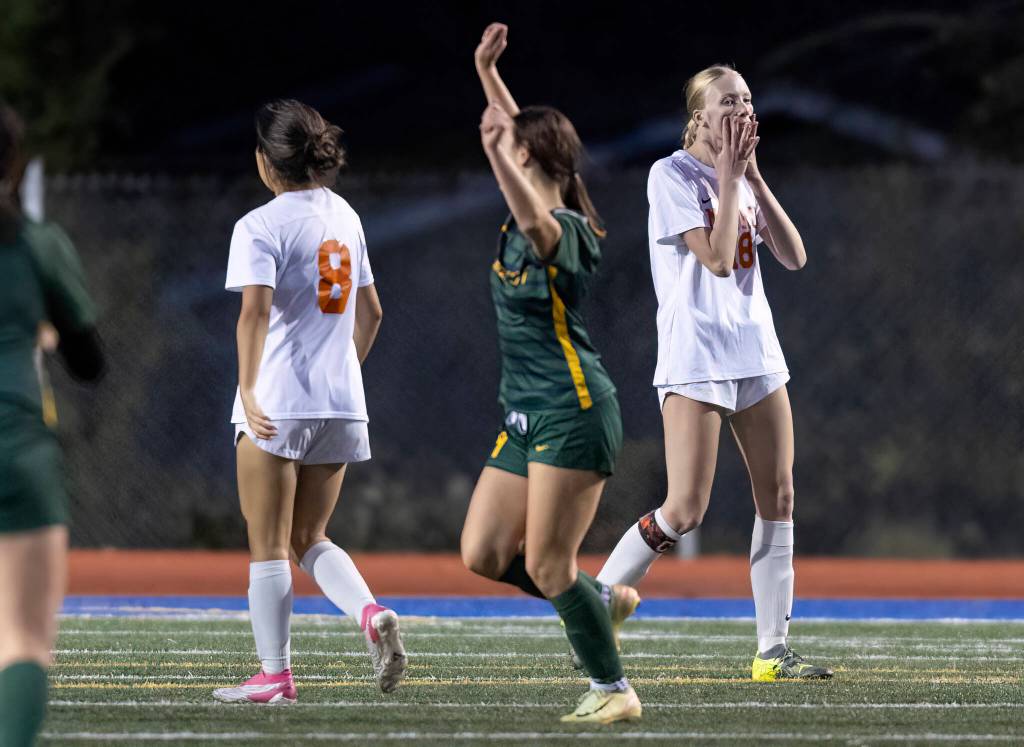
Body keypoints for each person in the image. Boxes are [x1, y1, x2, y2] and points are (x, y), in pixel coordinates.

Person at [594, 65, 833, 682]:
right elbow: (720, 261)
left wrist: (750, 176)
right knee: (685, 509)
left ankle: (772, 652)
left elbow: (796, 257)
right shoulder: (669, 174)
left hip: (756, 352)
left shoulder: (742, 179)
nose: (743, 109)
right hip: (697, 357)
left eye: (748, 99)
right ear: (698, 116)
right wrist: (728, 179)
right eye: (728, 101)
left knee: (778, 496)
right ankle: (594, 607)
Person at [459, 23, 642, 724]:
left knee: (545, 564)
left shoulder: (568, 230)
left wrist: (498, 156)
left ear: (527, 156)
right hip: (525, 413)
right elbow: (514, 132)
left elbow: (536, 217)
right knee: (482, 551)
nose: (501, 146)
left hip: (573, 408)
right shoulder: (526, 202)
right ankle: (603, 601)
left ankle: (613, 688)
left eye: (511, 148)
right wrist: (486, 70)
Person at [212, 99, 405, 705]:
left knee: (268, 544)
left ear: (267, 163)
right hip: (342, 403)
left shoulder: (259, 225)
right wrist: (342, 370)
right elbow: (371, 312)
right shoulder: (345, 215)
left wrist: (247, 388)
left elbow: (254, 312)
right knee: (311, 536)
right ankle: (369, 612)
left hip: (279, 402)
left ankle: (275, 676)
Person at [0, 102, 105, 746]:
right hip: (14, 442)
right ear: (12, 162)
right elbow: (89, 363)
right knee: (23, 641)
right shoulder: (37, 245)